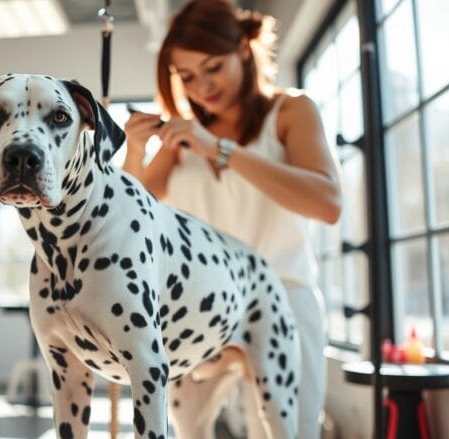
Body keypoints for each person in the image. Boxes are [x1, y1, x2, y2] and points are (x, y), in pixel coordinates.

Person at [122, 0, 342, 437]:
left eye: (212, 67)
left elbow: (328, 204)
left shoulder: (291, 112)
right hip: (202, 303)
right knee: (186, 429)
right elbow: (129, 219)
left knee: (289, 431)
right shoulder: (179, 138)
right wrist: (133, 151)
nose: (202, 86)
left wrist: (219, 149)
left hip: (285, 293)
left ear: (243, 48)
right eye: (186, 77)